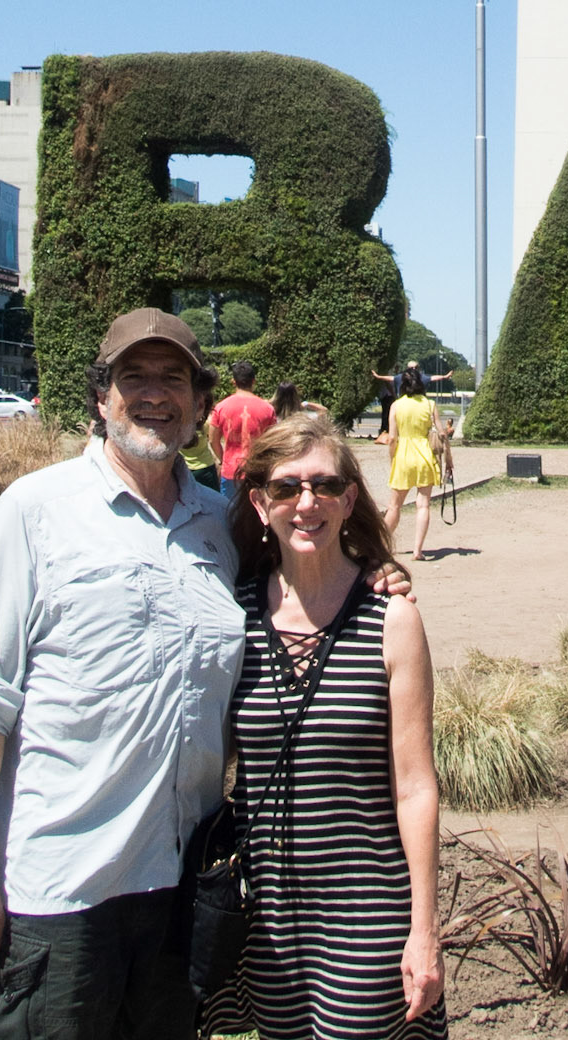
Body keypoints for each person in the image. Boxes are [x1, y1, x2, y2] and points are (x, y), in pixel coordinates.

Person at [0, 309, 245, 1036]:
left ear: (200, 401)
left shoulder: (224, 524)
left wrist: (379, 580)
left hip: (179, 891)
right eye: (132, 376)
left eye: (173, 378)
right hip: (64, 892)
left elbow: (315, 572)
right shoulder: (35, 512)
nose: (153, 394)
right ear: (101, 395)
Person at [222, 413, 446, 1038]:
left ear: (349, 500)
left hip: (366, 912)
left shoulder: (390, 619)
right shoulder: (233, 618)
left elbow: (416, 787)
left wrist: (424, 930)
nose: (306, 502)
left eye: (323, 486)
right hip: (267, 920)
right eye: (287, 488)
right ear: (260, 502)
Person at [383, 364, 441, 562]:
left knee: (394, 506)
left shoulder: (397, 405)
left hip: (403, 455)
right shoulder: (429, 404)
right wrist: (448, 459)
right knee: (423, 504)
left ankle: (382, 545)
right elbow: (441, 433)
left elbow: (392, 438)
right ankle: (418, 550)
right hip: (425, 454)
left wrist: (392, 458)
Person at [208, 359, 276, 484]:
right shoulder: (268, 409)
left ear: (233, 382)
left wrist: (223, 459)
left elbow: (213, 439)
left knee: (229, 504)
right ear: (254, 381)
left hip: (230, 470)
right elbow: (273, 441)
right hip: (257, 469)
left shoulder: (221, 407)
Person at [372, 352, 456, 439]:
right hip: (415, 404)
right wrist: (378, 377)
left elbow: (433, 378)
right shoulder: (415, 377)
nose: (414, 369)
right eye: (412, 368)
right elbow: (390, 378)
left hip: (409, 404)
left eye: (415, 367)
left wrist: (378, 377)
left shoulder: (410, 377)